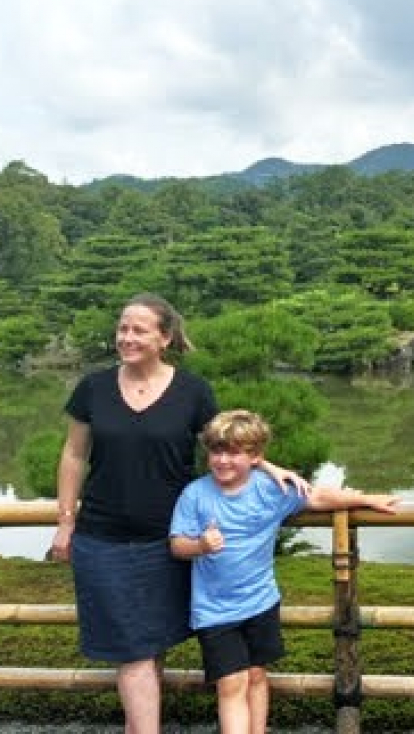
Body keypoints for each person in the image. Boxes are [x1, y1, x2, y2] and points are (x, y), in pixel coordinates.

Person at [48, 292, 308, 734]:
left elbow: (225, 443)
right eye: (122, 328)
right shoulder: (93, 387)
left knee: (152, 646)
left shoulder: (192, 391)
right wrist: (65, 520)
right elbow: (74, 456)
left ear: (164, 337)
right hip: (103, 537)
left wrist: (269, 465)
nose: (126, 337)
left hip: (171, 541)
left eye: (139, 330)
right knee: (133, 651)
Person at [169, 409, 399, 734]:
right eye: (217, 451)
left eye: (234, 452)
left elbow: (317, 496)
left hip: (261, 602)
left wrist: (366, 498)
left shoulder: (271, 490)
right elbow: (177, 544)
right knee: (231, 684)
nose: (223, 460)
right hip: (215, 610)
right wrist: (201, 546)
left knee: (257, 675)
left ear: (255, 457)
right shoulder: (195, 494)